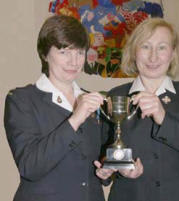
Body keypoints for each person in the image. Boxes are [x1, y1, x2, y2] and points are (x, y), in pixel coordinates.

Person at [95, 18, 179, 201]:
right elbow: (104, 154)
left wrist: (163, 117)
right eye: (145, 46)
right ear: (133, 52)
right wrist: (108, 171)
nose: (153, 57)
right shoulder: (115, 97)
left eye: (162, 47)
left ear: (173, 53)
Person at [4, 15, 105, 201]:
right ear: (45, 54)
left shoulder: (92, 100)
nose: (74, 62)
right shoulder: (21, 100)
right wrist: (75, 119)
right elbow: (30, 166)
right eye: (64, 52)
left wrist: (108, 169)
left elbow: (98, 159)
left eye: (80, 52)